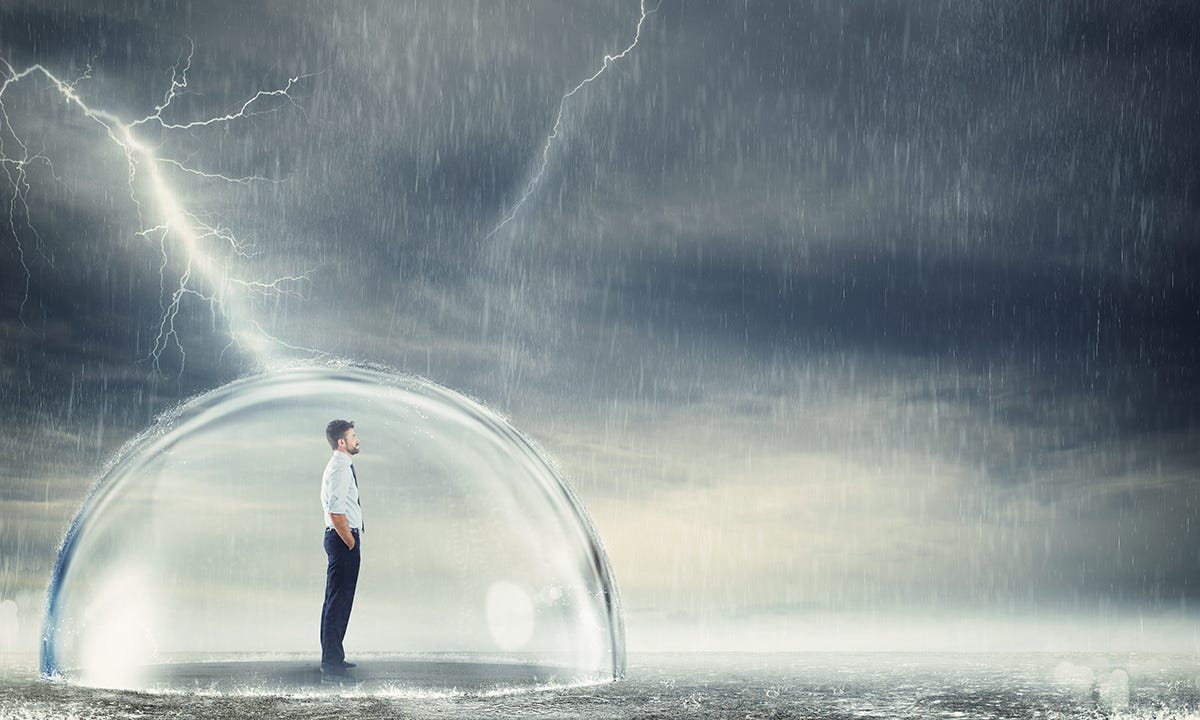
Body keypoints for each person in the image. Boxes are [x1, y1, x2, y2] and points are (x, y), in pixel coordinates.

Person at [319, 419, 363, 682]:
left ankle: (334, 657)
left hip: (340, 539)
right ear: (341, 442)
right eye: (353, 436)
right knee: (337, 603)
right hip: (342, 540)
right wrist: (350, 541)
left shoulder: (342, 466)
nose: (358, 440)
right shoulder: (340, 468)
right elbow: (336, 511)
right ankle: (331, 663)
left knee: (338, 602)